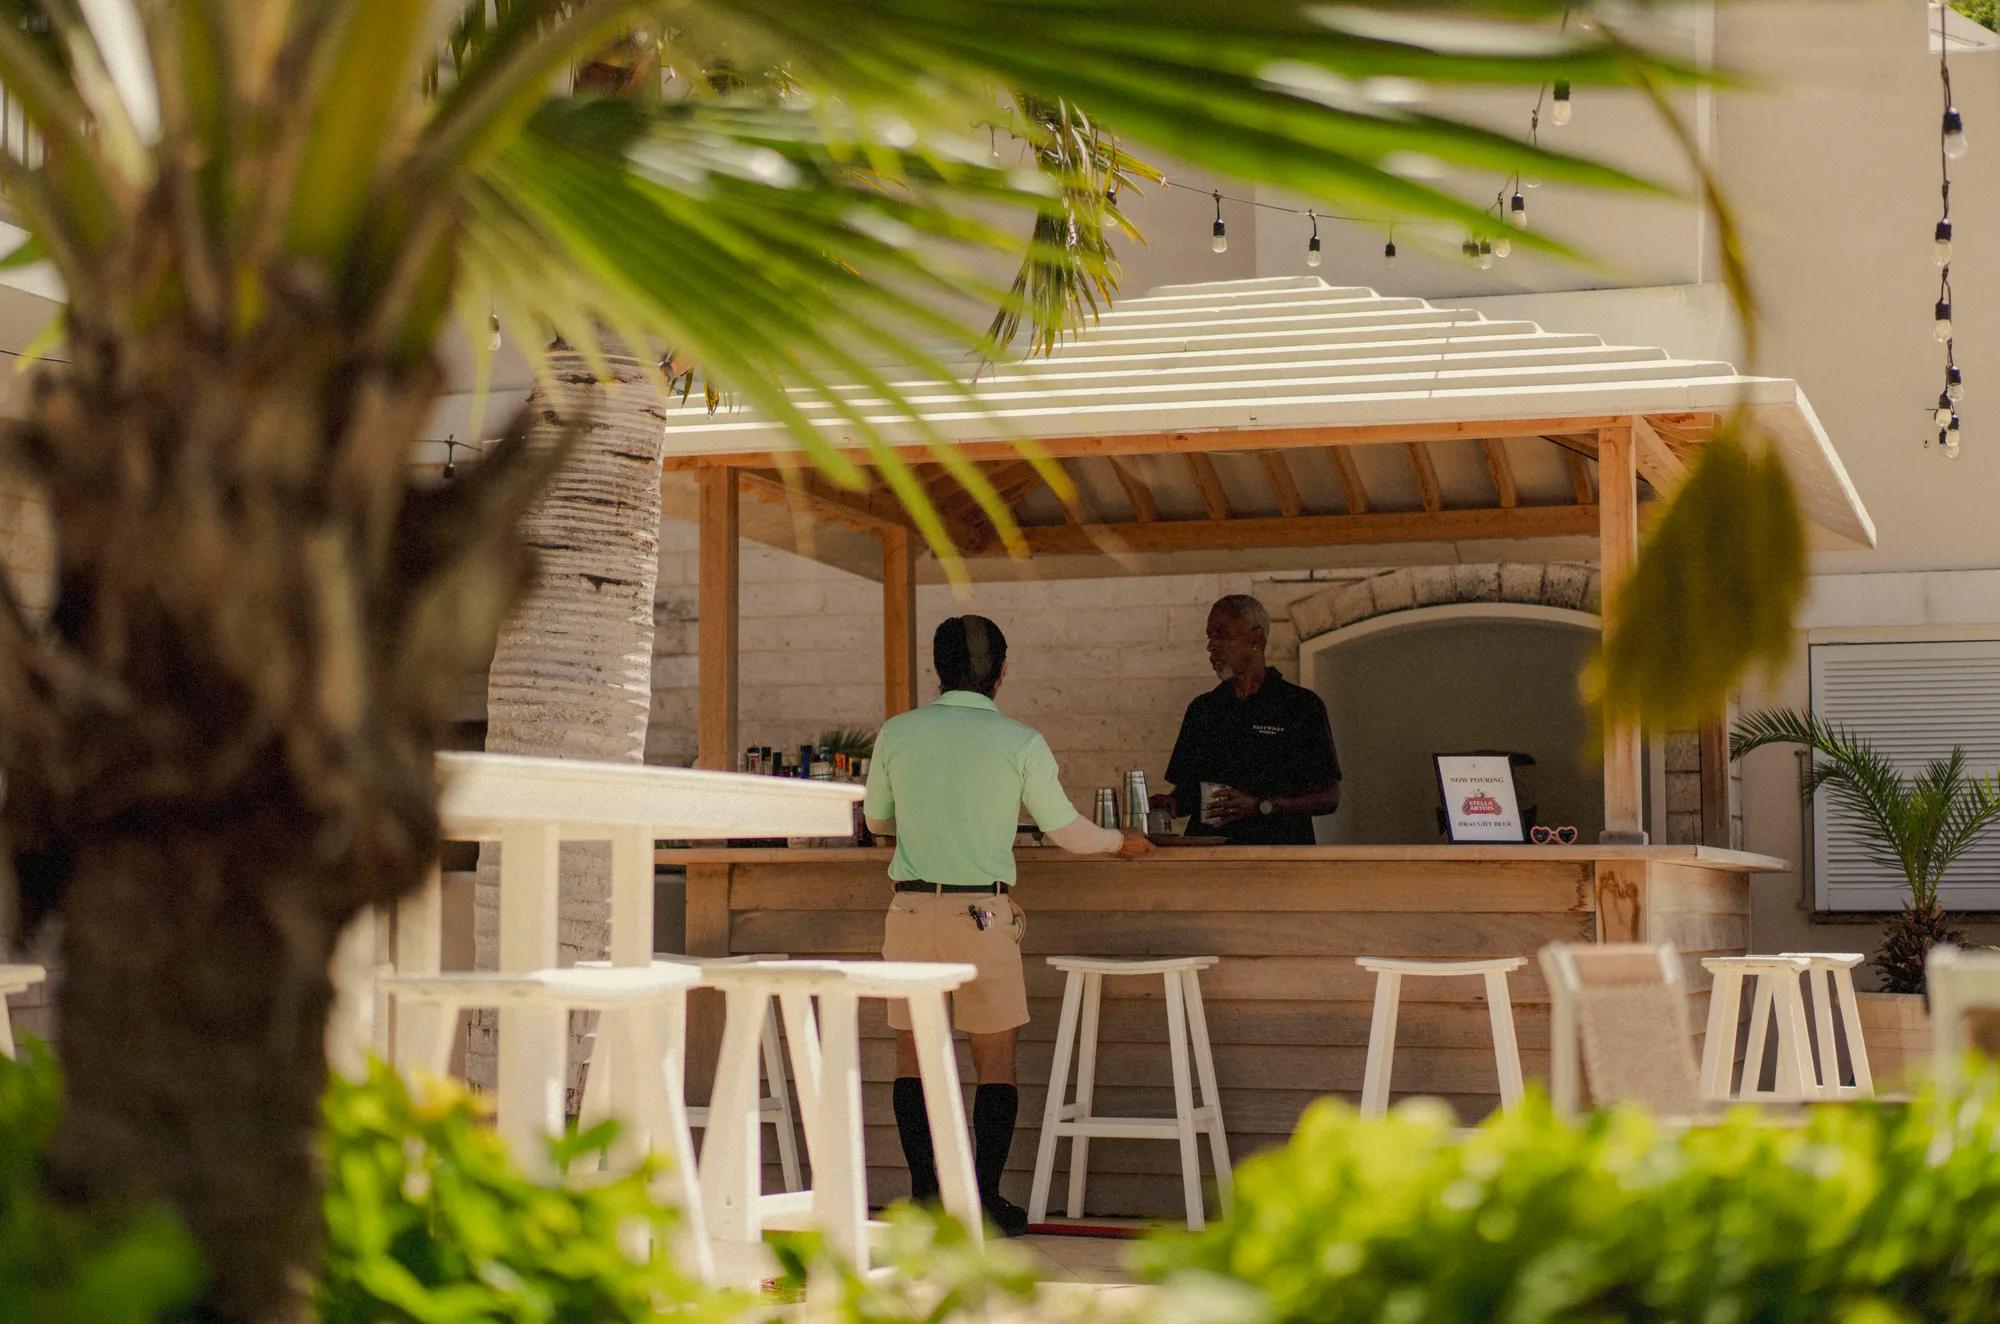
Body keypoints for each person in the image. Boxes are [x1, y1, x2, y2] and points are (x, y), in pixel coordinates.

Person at [863, 615, 1153, 1235]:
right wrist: (1119, 843)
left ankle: (923, 1197)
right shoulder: (1021, 741)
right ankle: (984, 1201)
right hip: (982, 914)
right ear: (1001, 672)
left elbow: (879, 819)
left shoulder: (898, 733)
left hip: (911, 909)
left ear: (936, 670)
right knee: (993, 1059)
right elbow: (1067, 832)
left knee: (914, 1055)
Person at [1152, 594, 1342, 844]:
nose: (1211, 647)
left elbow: (1329, 797)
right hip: (1209, 861)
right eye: (1209, 636)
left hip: (1279, 860)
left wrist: (1261, 805)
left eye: (1221, 635)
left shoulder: (1300, 706)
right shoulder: (1203, 709)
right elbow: (1191, 791)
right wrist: (1172, 803)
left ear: (1256, 639)